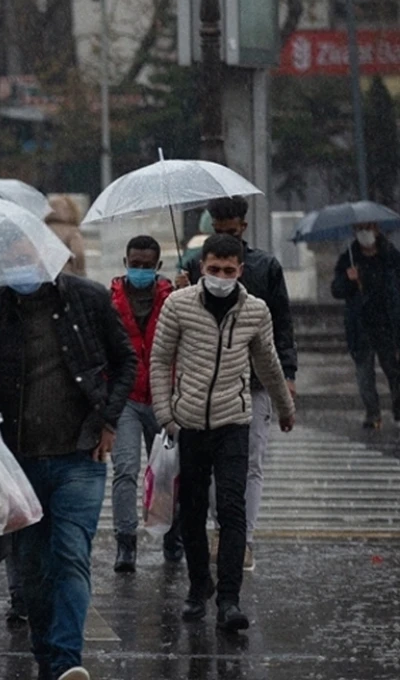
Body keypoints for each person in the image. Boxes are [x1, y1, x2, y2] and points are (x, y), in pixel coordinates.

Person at [0, 235, 136, 680]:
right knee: (33, 570)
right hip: (20, 459)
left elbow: (126, 362)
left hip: (80, 453)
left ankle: (66, 661)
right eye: (11, 259)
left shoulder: (87, 299)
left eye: (27, 258)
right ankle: (46, 654)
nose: (20, 268)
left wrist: (109, 421)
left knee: (71, 555)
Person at [151, 233, 296, 633]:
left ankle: (229, 599)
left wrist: (285, 407)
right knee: (192, 510)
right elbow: (160, 359)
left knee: (232, 508)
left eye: (228, 271)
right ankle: (200, 587)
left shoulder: (255, 311)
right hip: (191, 423)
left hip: (234, 421)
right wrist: (167, 415)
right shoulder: (178, 305)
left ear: (240, 272)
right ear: (202, 267)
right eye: (213, 269)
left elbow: (267, 362)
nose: (220, 277)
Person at [179, 195, 296, 571]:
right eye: (219, 230)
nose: (225, 236)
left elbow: (282, 324)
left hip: (257, 381)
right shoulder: (196, 269)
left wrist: (287, 378)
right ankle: (225, 527)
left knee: (252, 462)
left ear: (243, 228)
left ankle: (242, 538)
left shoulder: (265, 267)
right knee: (216, 466)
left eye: (232, 231)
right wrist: (181, 288)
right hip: (212, 383)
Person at [109, 235, 181, 572]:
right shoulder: (111, 301)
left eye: (146, 266)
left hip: (164, 398)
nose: (139, 270)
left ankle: (171, 535)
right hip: (126, 399)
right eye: (134, 264)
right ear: (125, 262)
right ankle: (126, 543)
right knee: (125, 470)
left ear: (158, 267)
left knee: (167, 473)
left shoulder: (174, 299)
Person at [331, 223, 400, 429]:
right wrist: (348, 279)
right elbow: (337, 289)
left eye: (368, 228)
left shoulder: (391, 257)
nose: (364, 233)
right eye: (359, 229)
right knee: (364, 375)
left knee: (394, 372)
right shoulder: (349, 259)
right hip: (360, 327)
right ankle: (373, 414)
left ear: (377, 230)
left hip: (387, 326)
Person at [44, 196, 86, 277]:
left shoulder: (41, 230)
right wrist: (80, 272)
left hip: (46, 275)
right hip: (66, 276)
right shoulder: (72, 231)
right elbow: (78, 254)